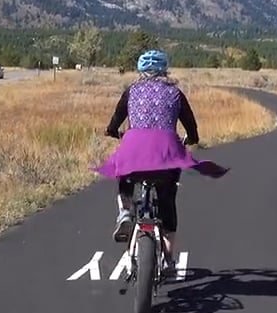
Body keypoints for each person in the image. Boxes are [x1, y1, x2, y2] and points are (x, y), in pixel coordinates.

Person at [94, 49, 228, 269]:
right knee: (167, 201)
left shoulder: (132, 91)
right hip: (166, 153)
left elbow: (116, 119)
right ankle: (167, 257)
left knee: (124, 173)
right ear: (165, 70)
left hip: (134, 148)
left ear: (140, 71)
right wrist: (192, 138)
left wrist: (111, 131)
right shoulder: (175, 93)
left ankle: (126, 211)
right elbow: (191, 126)